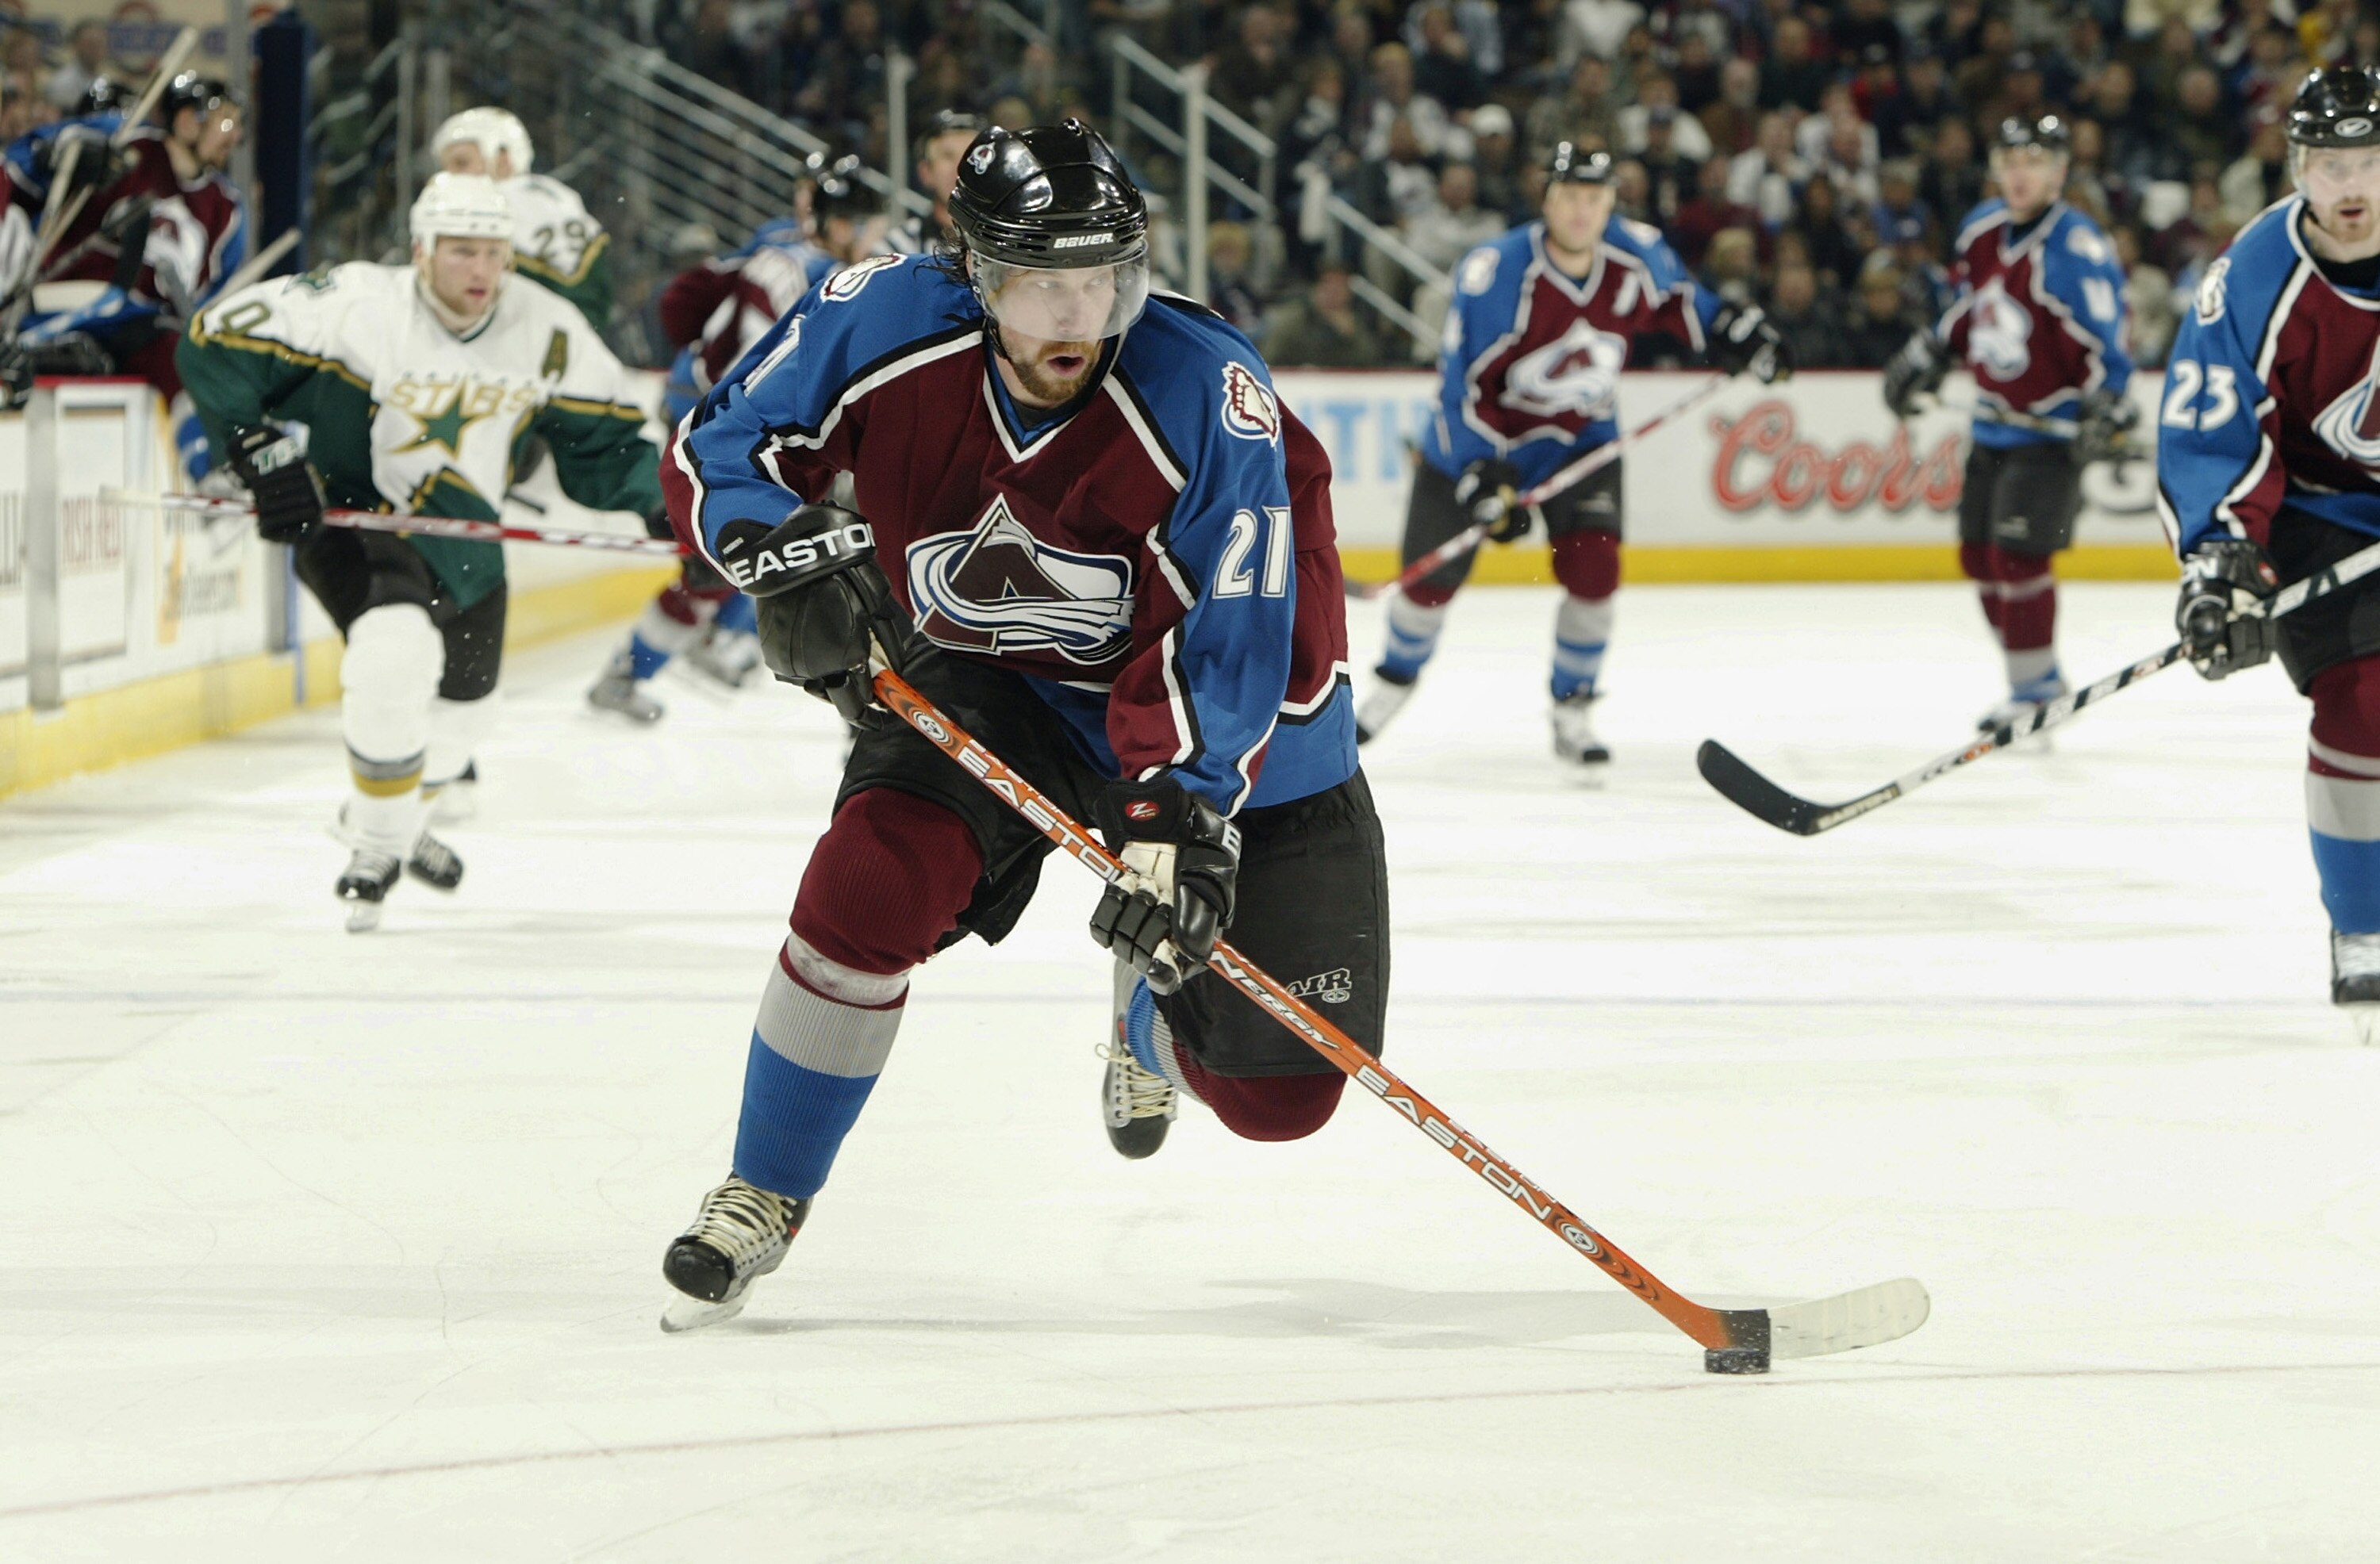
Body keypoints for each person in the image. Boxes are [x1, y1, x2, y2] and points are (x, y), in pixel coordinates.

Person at [653, 122, 1377, 1330]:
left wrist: (1180, 810)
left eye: (1099, 280)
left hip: (1233, 711)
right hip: (993, 673)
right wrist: (774, 551)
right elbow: (720, 443)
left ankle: (1146, 1001)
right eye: (1042, 283)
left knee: (1281, 1098)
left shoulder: (1208, 390)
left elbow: (1236, 623)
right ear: (976, 274)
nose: (1075, 318)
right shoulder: (879, 318)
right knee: (867, 885)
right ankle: (763, 1190)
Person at [175, 174, 664, 929]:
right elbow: (210, 342)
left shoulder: (548, 328)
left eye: (495, 253)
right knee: (391, 650)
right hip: (353, 518)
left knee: (467, 718)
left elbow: (606, 441)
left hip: (467, 542)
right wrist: (263, 455)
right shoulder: (353, 305)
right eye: (462, 251)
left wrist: (665, 505)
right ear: (422, 250)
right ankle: (378, 846)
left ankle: (387, 823)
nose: (481, 271)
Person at [1353, 143, 1789, 769]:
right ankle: (1391, 686)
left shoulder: (1635, 253)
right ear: (1547, 200)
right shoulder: (1496, 272)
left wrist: (1737, 332)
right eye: (1570, 197)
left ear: (1610, 201)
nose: (1583, 212)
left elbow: (1686, 307)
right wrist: (1480, 472)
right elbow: (1459, 388)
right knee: (1427, 585)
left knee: (1595, 573)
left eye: (1595, 198)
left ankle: (1573, 707)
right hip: (1481, 446)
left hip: (1582, 446)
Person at [2155, 67, 2380, 1038]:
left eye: (2370, 159)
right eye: (2330, 162)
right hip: (2320, 515)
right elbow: (2209, 431)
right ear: (2296, 168)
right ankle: (2366, 929)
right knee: (2364, 702)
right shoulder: (2252, 276)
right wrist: (2219, 563)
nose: (2351, 183)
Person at [589, 157, 879, 716]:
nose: (874, 237)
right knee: (739, 556)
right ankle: (632, 670)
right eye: (867, 225)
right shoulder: (800, 269)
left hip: (732, 422)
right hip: (723, 428)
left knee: (765, 551)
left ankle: (707, 641)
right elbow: (754, 372)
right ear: (841, 225)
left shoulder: (802, 259)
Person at [1883, 114, 2135, 731]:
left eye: (2035, 162)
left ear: (2060, 173)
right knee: (1978, 555)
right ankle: (2038, 673)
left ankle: (2032, 689)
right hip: (1994, 425)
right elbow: (1973, 306)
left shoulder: (2076, 248)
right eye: (2010, 161)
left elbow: (2107, 340)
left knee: (2019, 557)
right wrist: (1932, 351)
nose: (2020, 174)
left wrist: (2108, 402)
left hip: (2050, 434)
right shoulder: (1982, 229)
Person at [2, 73, 246, 470]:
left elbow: (205, 298)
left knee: (193, 354)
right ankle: (213, 469)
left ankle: (224, 466)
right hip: (64, 303)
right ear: (187, 121)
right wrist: (63, 153)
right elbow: (20, 161)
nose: (234, 136)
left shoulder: (228, 211)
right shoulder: (126, 141)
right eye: (226, 122)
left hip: (143, 331)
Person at [432, 106, 612, 331]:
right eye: (445, 167)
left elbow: (578, 299)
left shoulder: (503, 209)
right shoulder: (559, 199)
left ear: (504, 160)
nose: (448, 176)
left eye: (461, 163)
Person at [884, 109, 981, 254]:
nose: (960, 168)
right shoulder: (897, 248)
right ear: (926, 172)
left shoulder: (1010, 242)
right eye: (948, 156)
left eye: (971, 156)